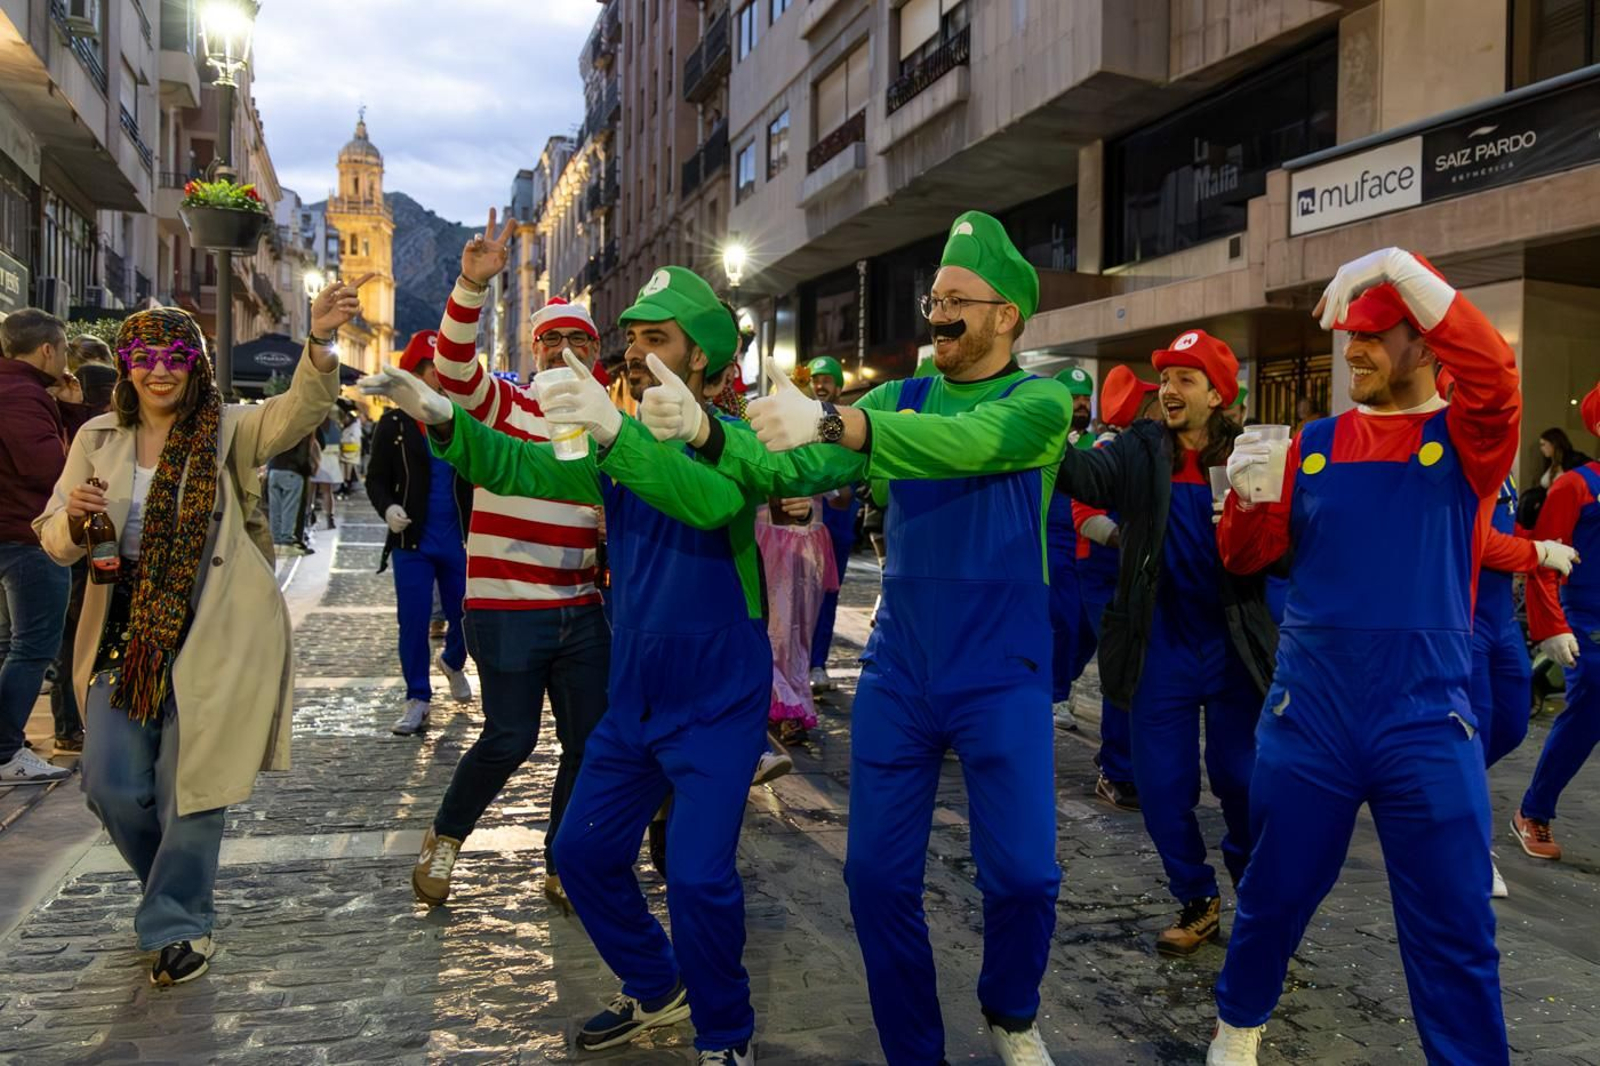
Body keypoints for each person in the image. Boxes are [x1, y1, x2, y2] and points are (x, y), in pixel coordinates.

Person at [640, 212, 1071, 1065]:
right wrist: (705, 432)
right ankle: (916, 1052)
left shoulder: (1040, 401)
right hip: (903, 668)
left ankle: (1011, 1008)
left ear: (1006, 317)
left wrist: (839, 424)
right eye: (933, 297)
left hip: (1003, 672)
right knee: (874, 879)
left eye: (957, 300)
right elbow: (789, 469)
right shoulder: (899, 394)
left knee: (1025, 876)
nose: (938, 312)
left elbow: (969, 446)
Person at [362, 263, 771, 1065]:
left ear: (700, 359)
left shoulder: (737, 439)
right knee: (581, 854)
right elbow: (527, 468)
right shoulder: (615, 442)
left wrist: (618, 439)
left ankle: (726, 1033)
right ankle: (658, 988)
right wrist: (443, 418)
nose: (630, 355)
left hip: (719, 698)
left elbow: (711, 500)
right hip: (638, 695)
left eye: (655, 340)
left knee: (696, 879)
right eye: (630, 341)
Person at [1208, 249, 1518, 1065]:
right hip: (1310, 715)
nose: (1355, 351)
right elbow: (1246, 561)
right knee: (1273, 895)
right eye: (1351, 335)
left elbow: (1497, 373)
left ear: (1424, 343)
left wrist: (1397, 264)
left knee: (1456, 922)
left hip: (1425, 720)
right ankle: (1237, 1029)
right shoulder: (1310, 443)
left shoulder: (1469, 438)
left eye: (1376, 335)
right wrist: (1242, 501)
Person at [33, 287, 355, 984]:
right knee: (110, 783)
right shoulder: (96, 438)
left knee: (195, 787)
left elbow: (299, 410)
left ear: (196, 366)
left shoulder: (229, 428)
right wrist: (77, 517)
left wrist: (321, 341)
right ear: (126, 366)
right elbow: (55, 537)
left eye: (175, 356)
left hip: (215, 631)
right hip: (126, 637)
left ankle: (178, 923)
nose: (159, 370)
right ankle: (171, 894)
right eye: (144, 356)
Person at [408, 216, 611, 915]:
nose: (561, 349)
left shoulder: (613, 429)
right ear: (534, 349)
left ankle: (564, 861)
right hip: (505, 606)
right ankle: (446, 835)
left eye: (575, 339)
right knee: (509, 737)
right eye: (549, 338)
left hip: (584, 610)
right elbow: (456, 368)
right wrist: (471, 284)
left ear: (593, 353)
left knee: (587, 744)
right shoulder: (505, 405)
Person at [1053, 332, 1275, 959]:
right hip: (1160, 648)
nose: (1170, 391)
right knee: (1161, 785)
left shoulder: (1251, 452)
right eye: (1166, 379)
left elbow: (1286, 545)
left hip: (1232, 646)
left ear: (1217, 392)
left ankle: (1253, 891)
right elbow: (1085, 478)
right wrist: (1043, 428)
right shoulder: (1139, 447)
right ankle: (1197, 897)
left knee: (1242, 780)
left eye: (1185, 379)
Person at [0, 308, 97, 781]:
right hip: (25, 535)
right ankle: (4, 752)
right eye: (62, 350)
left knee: (10, 645)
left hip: (11, 533)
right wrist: (77, 415)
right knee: (34, 647)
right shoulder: (21, 395)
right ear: (46, 350)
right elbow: (50, 471)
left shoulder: (17, 389)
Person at [364, 330, 474, 737]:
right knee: (412, 622)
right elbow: (375, 480)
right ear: (413, 374)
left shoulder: (461, 420)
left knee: (467, 614)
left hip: (456, 538)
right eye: (430, 370)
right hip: (412, 541)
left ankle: (454, 661)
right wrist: (388, 508)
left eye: (442, 370)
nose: (438, 378)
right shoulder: (393, 424)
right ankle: (418, 699)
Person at [1512, 384, 1600, 865]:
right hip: (1586, 616)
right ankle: (1533, 809)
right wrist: (1552, 624)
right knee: (1590, 697)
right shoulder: (1576, 484)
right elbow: (1545, 557)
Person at [1068, 365, 1160, 812]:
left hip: (1125, 575)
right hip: (1103, 573)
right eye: (1150, 399)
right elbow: (1085, 516)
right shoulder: (1113, 448)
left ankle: (1130, 763)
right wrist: (1132, 538)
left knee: (1134, 670)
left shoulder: (1147, 449)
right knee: (1122, 670)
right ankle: (1116, 769)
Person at [803, 355, 860, 693]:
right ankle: (799, 661)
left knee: (828, 593)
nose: (820, 385)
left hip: (838, 520)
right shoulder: (804, 422)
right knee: (799, 594)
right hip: (808, 522)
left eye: (827, 379)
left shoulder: (853, 423)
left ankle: (818, 662)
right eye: (816, 379)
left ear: (839, 386)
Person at [1047, 366, 1095, 731]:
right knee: (1062, 619)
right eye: (1074, 398)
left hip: (1092, 546)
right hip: (1055, 541)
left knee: (1090, 626)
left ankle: (1067, 677)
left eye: (1085, 399)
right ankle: (1057, 693)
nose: (1081, 404)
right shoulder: (1045, 440)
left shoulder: (1097, 444)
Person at [266, 433, 316, 550]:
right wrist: (308, 471)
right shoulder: (300, 431)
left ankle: (275, 539)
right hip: (291, 471)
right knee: (289, 508)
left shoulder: (277, 429)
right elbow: (302, 456)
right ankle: (286, 539)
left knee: (275, 508)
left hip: (273, 470)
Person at [309, 411, 342, 527]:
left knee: (310, 491)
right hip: (331, 460)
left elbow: (312, 443)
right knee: (327, 492)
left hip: (316, 457)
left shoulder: (314, 424)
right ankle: (330, 518)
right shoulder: (335, 425)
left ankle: (309, 515)